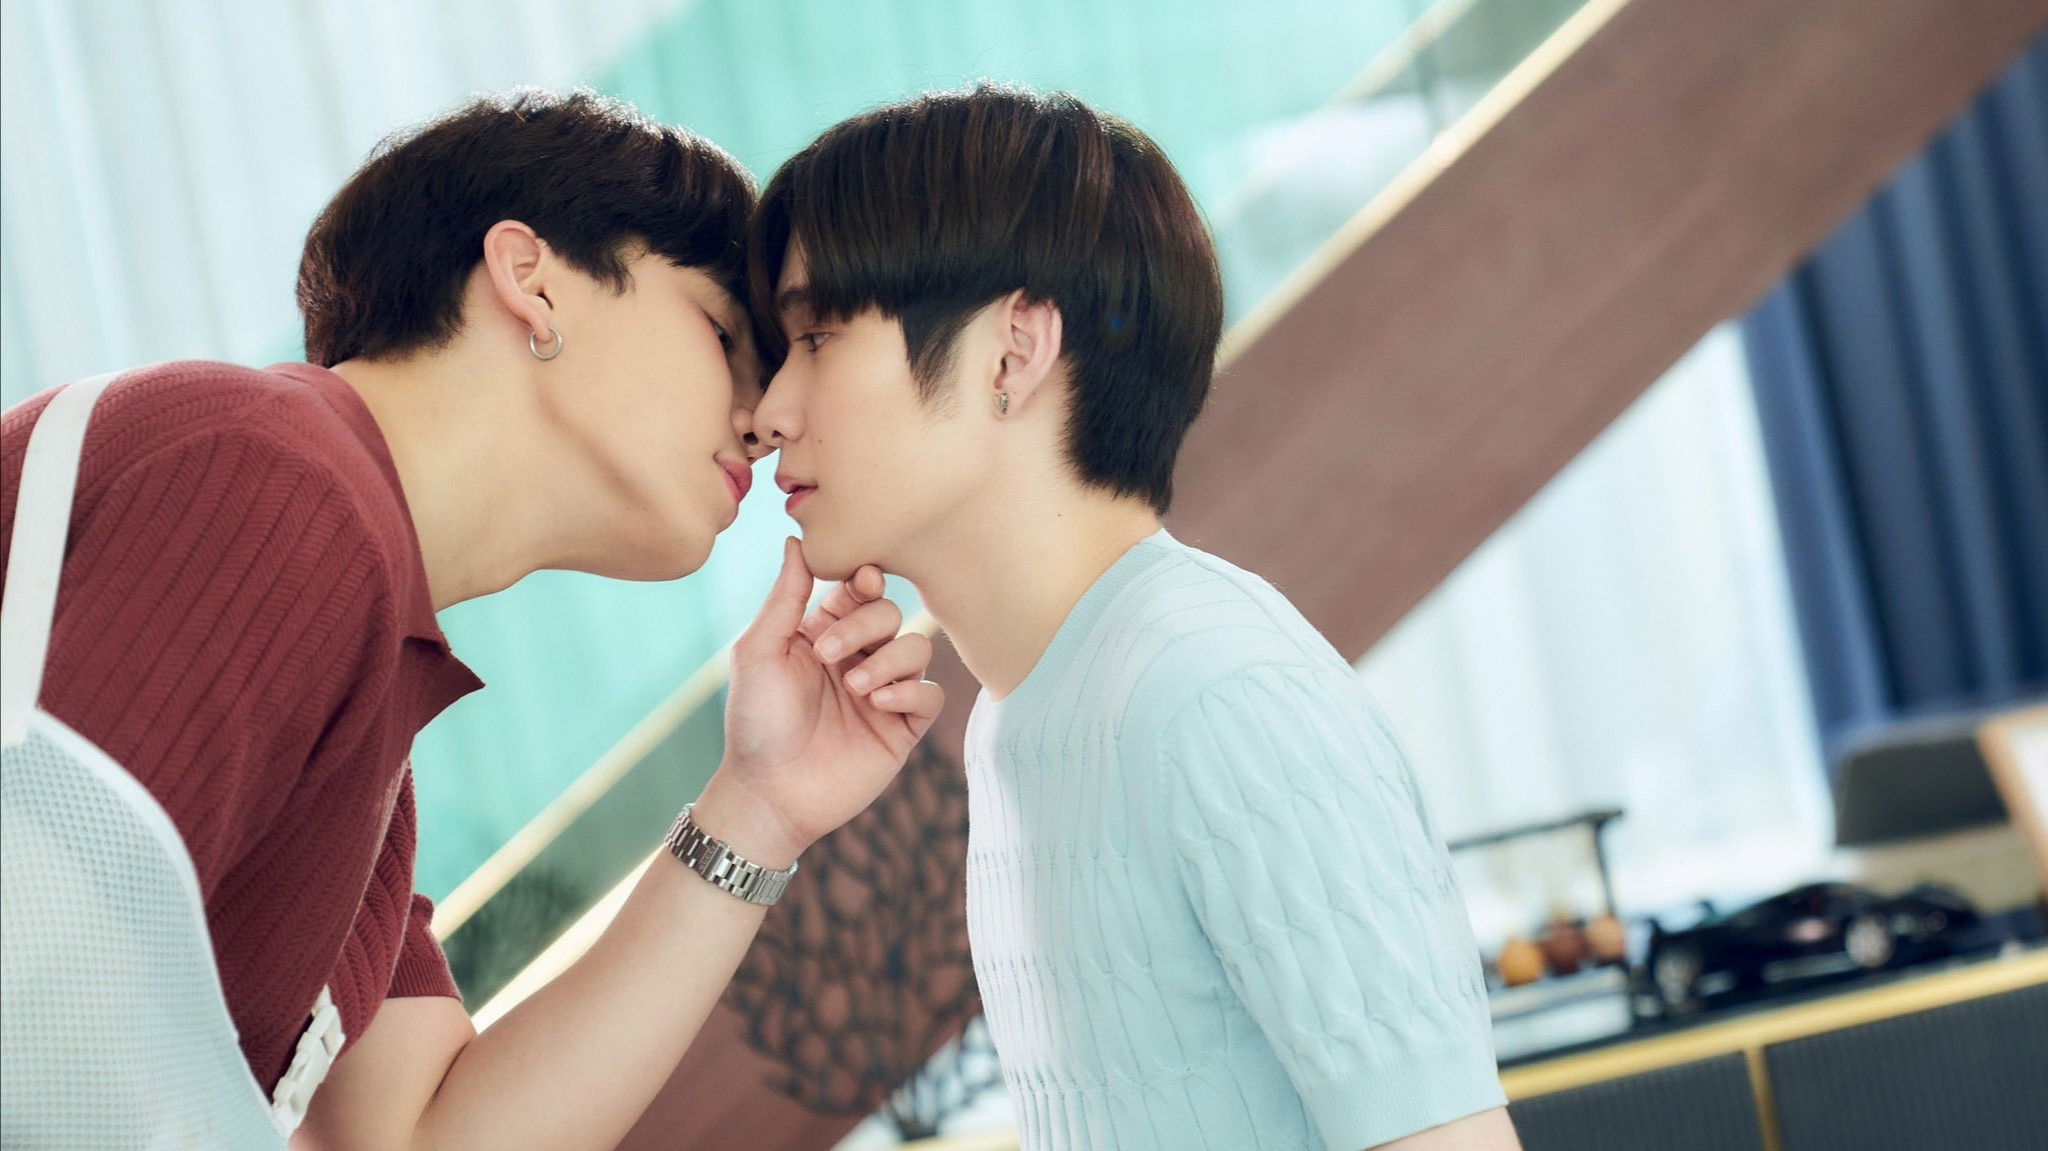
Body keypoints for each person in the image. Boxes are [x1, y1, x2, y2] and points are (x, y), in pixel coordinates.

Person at [0, 89, 941, 1150]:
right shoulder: (277, 479)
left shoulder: (361, 694)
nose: (761, 421)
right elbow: (29, 992)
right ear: (530, 278)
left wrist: (757, 810)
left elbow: (420, 1139)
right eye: (723, 333)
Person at [745, 85, 1522, 1151]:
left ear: (1012, 352)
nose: (769, 410)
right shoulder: (1020, 711)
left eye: (819, 336)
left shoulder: (1216, 693)